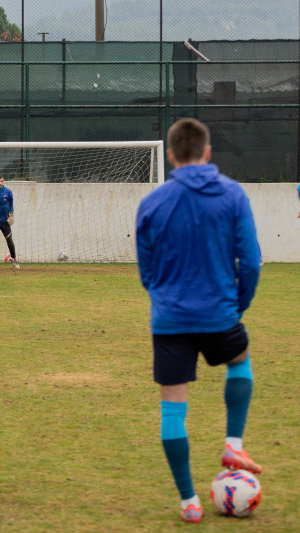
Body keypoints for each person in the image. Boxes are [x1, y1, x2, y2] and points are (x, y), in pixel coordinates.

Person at [136, 118, 262, 524]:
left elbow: (146, 270)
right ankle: (232, 443)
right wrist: (236, 306)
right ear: (208, 152)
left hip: (170, 319)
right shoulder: (232, 194)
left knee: (173, 410)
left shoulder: (152, 203)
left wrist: (165, 298)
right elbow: (252, 261)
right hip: (219, 313)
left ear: (171, 155)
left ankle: (189, 502)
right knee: (239, 360)